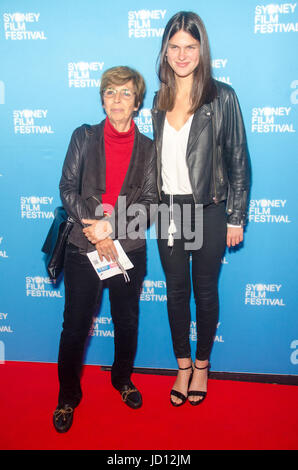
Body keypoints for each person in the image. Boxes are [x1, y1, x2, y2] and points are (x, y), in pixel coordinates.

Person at [152, 11, 250, 406]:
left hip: (209, 209)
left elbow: (238, 160)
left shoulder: (221, 96)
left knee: (205, 292)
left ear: (201, 49)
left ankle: (203, 367)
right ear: (165, 51)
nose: (181, 54)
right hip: (169, 212)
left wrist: (236, 216)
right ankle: (182, 367)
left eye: (190, 47)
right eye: (174, 47)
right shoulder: (158, 99)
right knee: (176, 293)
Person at [53, 66, 157, 432]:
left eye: (125, 93)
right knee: (75, 327)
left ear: (137, 101)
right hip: (84, 246)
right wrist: (97, 232)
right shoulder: (83, 137)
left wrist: (111, 229)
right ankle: (67, 396)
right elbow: (67, 189)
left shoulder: (149, 148)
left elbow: (149, 201)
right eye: (111, 92)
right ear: (102, 99)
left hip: (129, 246)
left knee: (127, 322)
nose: (117, 100)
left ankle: (122, 379)